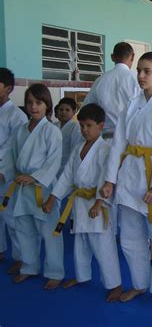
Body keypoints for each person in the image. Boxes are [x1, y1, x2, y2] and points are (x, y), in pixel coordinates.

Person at [100, 52, 152, 309]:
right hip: (130, 177)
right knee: (130, 238)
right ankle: (139, 283)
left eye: (147, 71)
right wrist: (110, 179)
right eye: (140, 71)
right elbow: (117, 144)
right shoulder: (131, 104)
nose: (142, 76)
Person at [43, 104, 122, 302]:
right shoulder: (79, 147)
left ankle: (115, 284)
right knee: (81, 244)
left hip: (96, 204)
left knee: (103, 246)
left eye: (89, 125)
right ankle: (82, 276)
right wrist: (54, 197)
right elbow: (68, 176)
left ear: (101, 126)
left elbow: (107, 179)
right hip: (79, 203)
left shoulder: (105, 150)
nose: (84, 130)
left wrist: (99, 203)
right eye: (82, 126)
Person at [0, 84, 64, 289]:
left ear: (47, 105)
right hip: (21, 187)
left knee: (49, 232)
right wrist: (4, 172)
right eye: (29, 102)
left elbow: (54, 162)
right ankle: (29, 267)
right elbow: (11, 156)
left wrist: (35, 177)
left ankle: (55, 272)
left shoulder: (52, 131)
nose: (33, 107)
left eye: (38, 102)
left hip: (42, 189)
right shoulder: (20, 130)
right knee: (24, 228)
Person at [83, 42, 140, 140]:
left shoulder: (100, 81)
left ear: (112, 57)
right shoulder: (137, 79)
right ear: (133, 56)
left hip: (105, 139)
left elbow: (87, 109)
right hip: (131, 140)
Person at [0, 68, 27, 271]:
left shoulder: (16, 116)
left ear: (8, 88)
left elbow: (13, 147)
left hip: (6, 174)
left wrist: (3, 170)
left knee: (11, 216)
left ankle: (20, 257)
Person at [55, 97, 82, 177]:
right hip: (52, 163)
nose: (63, 112)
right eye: (61, 109)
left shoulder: (76, 127)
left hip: (66, 164)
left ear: (74, 112)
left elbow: (75, 149)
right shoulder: (53, 126)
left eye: (67, 110)